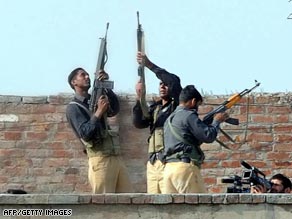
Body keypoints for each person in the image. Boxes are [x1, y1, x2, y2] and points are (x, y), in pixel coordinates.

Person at [66, 67, 133, 193]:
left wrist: (106, 86)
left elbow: (114, 110)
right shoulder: (73, 108)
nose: (87, 77)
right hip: (99, 158)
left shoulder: (94, 99)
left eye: (87, 74)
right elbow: (85, 133)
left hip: (115, 156)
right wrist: (98, 113)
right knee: (104, 201)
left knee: (127, 197)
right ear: (74, 82)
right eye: (82, 75)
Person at [162, 85, 228, 193]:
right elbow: (208, 136)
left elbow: (188, 139)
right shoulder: (188, 116)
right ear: (193, 101)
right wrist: (216, 121)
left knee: (172, 210)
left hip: (168, 169)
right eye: (198, 104)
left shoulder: (169, 119)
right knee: (199, 208)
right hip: (185, 169)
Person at [133, 52, 182, 194]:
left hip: (169, 161)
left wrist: (149, 64)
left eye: (165, 84)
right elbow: (139, 123)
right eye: (160, 84)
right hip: (153, 162)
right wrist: (139, 98)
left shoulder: (177, 106)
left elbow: (173, 82)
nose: (163, 86)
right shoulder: (155, 108)